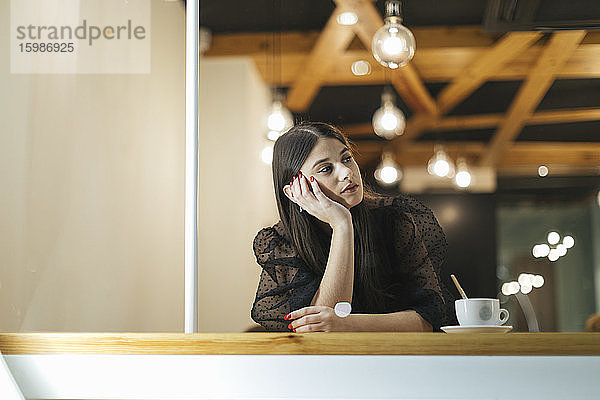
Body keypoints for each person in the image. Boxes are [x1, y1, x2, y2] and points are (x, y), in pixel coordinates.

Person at [250, 122, 456, 332]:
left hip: (395, 358)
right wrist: (342, 225)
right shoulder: (281, 243)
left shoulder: (395, 220)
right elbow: (318, 334)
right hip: (323, 364)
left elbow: (430, 318)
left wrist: (349, 324)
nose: (346, 172)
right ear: (295, 190)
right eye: (326, 169)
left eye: (347, 158)